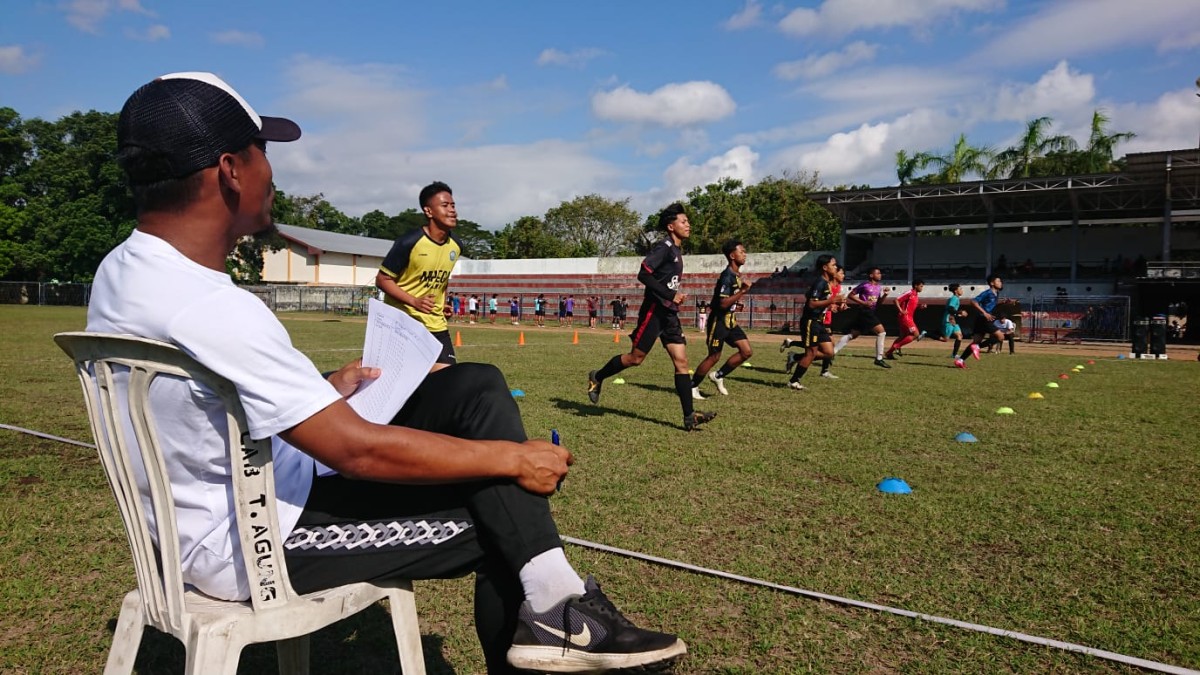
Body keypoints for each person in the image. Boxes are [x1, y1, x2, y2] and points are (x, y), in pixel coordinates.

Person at [93, 72, 686, 674]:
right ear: (230, 169)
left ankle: (557, 606)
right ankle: (559, 607)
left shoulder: (124, 271)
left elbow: (198, 404)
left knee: (475, 384)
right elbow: (358, 454)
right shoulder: (213, 306)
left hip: (230, 506)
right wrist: (513, 459)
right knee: (502, 522)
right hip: (256, 543)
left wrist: (323, 389)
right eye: (262, 153)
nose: (272, 173)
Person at [586, 203, 715, 431]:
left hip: (669, 315)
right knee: (636, 359)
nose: (688, 225)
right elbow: (643, 274)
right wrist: (669, 294)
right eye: (683, 222)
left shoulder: (676, 250)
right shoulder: (663, 247)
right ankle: (598, 375)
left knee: (682, 362)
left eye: (687, 221)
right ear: (671, 226)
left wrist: (672, 297)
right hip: (654, 312)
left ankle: (689, 416)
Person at [377, 181, 463, 370]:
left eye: (453, 205)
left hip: (436, 325)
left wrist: (443, 303)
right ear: (428, 211)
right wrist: (414, 301)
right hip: (403, 323)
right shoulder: (409, 242)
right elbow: (382, 279)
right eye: (445, 205)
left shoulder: (456, 245)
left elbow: (443, 277)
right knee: (398, 383)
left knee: (447, 380)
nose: (452, 210)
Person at [691, 240, 753, 398]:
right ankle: (692, 387)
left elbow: (729, 301)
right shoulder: (727, 276)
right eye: (742, 251)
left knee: (746, 352)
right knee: (714, 356)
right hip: (718, 322)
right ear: (732, 256)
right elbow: (722, 302)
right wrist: (743, 292)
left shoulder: (736, 275)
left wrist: (737, 303)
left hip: (730, 321)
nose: (745, 254)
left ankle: (718, 375)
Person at [785, 255, 843, 390]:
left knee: (829, 352)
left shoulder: (825, 283)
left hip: (819, 322)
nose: (836, 267)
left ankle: (795, 357)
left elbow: (813, 298)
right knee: (811, 352)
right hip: (811, 322)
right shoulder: (820, 282)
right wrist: (831, 301)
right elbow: (811, 303)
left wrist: (831, 306)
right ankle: (794, 381)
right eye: (833, 265)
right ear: (824, 267)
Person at [831, 267, 891, 369]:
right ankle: (879, 359)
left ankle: (831, 353)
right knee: (882, 332)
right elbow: (851, 295)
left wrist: (885, 295)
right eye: (878, 273)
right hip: (865, 312)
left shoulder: (878, 287)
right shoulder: (865, 285)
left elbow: (878, 303)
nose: (880, 275)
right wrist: (863, 302)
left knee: (852, 335)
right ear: (871, 275)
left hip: (870, 312)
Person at [954, 274, 1007, 369]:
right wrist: (985, 313)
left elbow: (991, 304)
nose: (1000, 283)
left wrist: (1004, 302)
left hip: (980, 319)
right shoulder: (988, 292)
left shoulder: (996, 294)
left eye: (1000, 281)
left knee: (975, 342)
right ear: (992, 283)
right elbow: (973, 301)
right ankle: (978, 348)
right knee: (1000, 337)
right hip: (984, 319)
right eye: (998, 281)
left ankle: (960, 360)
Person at [884, 279, 925, 360]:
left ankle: (889, 354)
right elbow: (895, 300)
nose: (922, 288)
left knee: (902, 336)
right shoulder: (909, 292)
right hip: (905, 317)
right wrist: (901, 310)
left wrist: (920, 306)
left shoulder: (915, 295)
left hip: (909, 317)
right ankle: (895, 348)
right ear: (915, 285)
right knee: (916, 334)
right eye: (921, 286)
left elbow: (911, 306)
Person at [940, 283, 967, 358]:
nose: (962, 290)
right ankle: (926, 333)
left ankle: (954, 355)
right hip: (948, 320)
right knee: (945, 339)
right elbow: (950, 309)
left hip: (953, 320)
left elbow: (952, 310)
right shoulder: (954, 298)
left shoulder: (956, 298)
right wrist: (960, 312)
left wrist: (958, 314)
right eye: (960, 289)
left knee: (959, 336)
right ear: (956, 291)